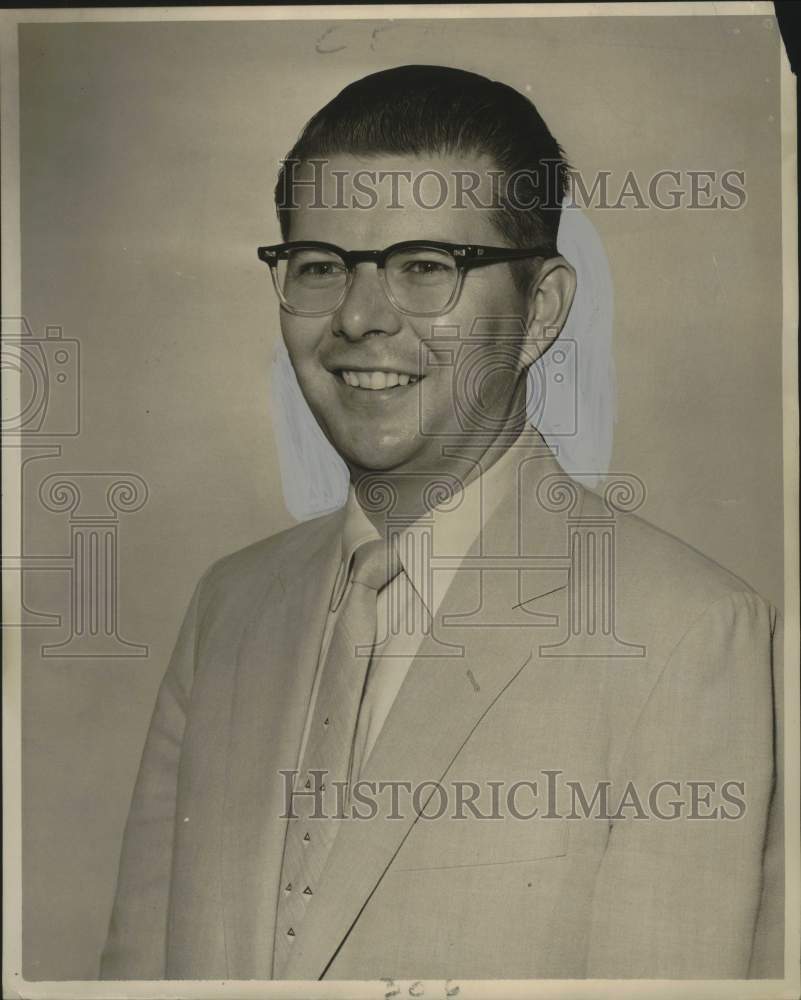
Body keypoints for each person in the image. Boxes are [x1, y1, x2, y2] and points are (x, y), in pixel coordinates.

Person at [100, 65, 782, 981]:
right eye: (320, 266)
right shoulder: (228, 607)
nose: (357, 317)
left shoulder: (687, 632)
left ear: (538, 312)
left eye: (426, 267)